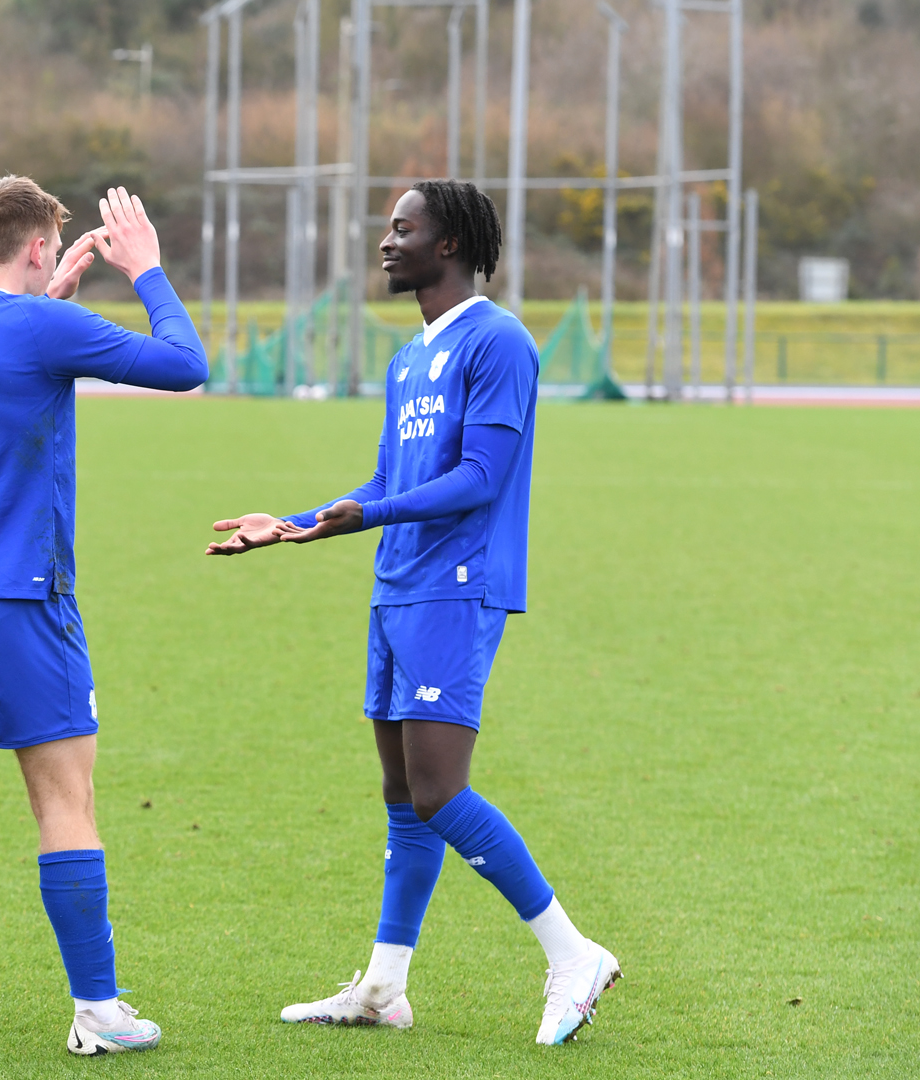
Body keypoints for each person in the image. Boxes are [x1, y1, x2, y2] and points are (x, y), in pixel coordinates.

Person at [204, 179, 620, 1046]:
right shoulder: (408, 358)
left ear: (452, 245)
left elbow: (480, 479)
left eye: (405, 228)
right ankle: (385, 988)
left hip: (457, 585)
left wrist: (373, 516)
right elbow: (389, 483)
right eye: (388, 228)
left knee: (439, 789)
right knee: (404, 795)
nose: (387, 242)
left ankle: (573, 953)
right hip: (398, 586)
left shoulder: (498, 342)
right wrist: (295, 525)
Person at [0, 178, 207, 1066]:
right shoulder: (40, 330)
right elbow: (185, 364)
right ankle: (97, 1010)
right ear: (37, 247)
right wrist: (146, 270)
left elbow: (0, 356)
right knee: (65, 799)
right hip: (21, 594)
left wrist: (49, 303)